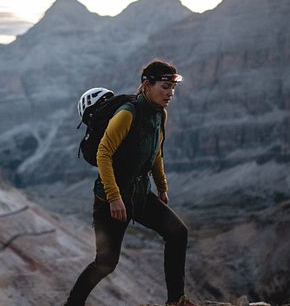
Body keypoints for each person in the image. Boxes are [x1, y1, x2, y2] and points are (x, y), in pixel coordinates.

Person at [65, 60, 196, 306]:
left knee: (178, 233)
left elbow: (156, 152)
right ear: (147, 85)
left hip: (139, 194)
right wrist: (114, 197)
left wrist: (162, 186)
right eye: (165, 87)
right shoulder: (127, 113)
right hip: (110, 199)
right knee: (106, 262)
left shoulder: (160, 114)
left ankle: (176, 300)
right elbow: (104, 153)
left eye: (172, 88)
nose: (170, 93)